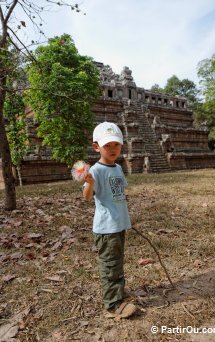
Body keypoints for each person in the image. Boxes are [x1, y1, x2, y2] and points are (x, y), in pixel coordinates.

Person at [83, 121, 137, 318]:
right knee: (110, 264)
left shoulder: (117, 168)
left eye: (116, 144)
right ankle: (113, 304)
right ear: (96, 147)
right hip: (106, 227)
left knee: (117, 261)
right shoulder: (95, 171)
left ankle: (118, 292)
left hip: (118, 223)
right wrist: (88, 183)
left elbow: (119, 194)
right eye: (107, 145)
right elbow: (87, 197)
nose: (113, 149)